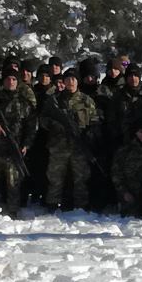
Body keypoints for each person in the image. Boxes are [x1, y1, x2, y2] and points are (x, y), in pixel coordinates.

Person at [0, 67, 37, 218]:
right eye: (8, 79)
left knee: (14, 183)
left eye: (14, 79)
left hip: (14, 149)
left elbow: (31, 126)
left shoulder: (24, 103)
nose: (10, 82)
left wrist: (26, 145)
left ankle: (13, 211)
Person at [40, 69, 99, 211]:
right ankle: (52, 205)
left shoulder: (86, 100)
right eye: (67, 79)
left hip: (79, 146)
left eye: (73, 79)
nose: (70, 82)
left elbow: (94, 119)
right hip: (58, 145)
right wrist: (55, 124)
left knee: (81, 177)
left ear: (78, 82)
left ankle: (81, 206)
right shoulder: (55, 100)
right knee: (55, 178)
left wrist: (91, 131)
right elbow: (43, 119)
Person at [111, 119, 142, 219]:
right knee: (132, 216)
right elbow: (116, 173)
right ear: (136, 132)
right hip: (131, 193)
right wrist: (124, 192)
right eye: (141, 132)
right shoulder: (125, 150)